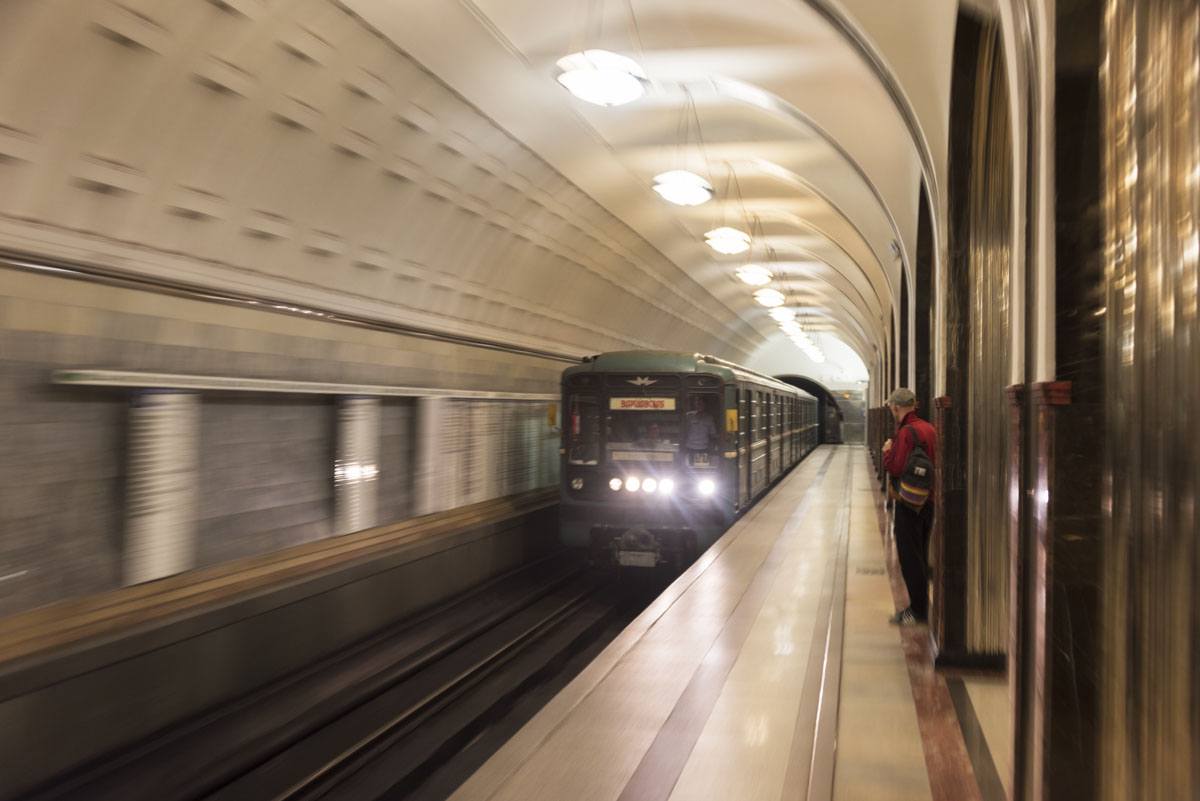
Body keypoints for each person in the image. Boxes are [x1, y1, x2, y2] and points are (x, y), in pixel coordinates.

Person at [881, 387, 937, 626]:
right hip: (928, 500)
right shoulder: (930, 429)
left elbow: (894, 467)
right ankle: (921, 606)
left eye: (892, 408)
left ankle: (917, 610)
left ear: (896, 407)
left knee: (909, 557)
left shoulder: (906, 433)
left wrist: (886, 452)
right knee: (921, 553)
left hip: (909, 503)